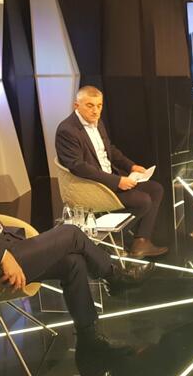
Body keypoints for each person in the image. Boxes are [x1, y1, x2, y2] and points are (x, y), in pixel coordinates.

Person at [0, 151, 154, 352]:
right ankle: (113, 275)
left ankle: (88, 337)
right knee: (71, 233)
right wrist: (2, 256)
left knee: (73, 262)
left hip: (6, 245)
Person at [56, 86, 167, 259]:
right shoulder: (67, 130)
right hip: (93, 185)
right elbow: (78, 166)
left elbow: (110, 150)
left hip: (109, 178)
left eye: (99, 106)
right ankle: (108, 238)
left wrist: (131, 166)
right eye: (90, 105)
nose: (95, 111)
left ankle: (141, 241)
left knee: (156, 189)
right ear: (76, 106)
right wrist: (117, 181)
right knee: (143, 201)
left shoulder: (97, 122)